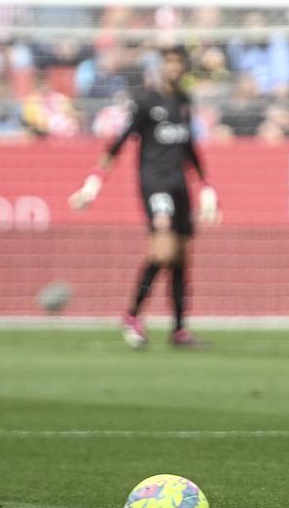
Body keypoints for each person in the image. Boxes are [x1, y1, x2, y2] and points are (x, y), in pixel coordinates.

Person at [69, 46, 219, 348]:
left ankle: (178, 330)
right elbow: (119, 142)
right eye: (170, 64)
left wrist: (205, 186)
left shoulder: (184, 102)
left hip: (180, 186)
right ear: (161, 67)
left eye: (179, 64)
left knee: (180, 257)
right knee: (162, 251)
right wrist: (93, 183)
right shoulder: (146, 102)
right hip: (155, 184)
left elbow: (189, 147)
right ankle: (133, 315)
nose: (174, 70)